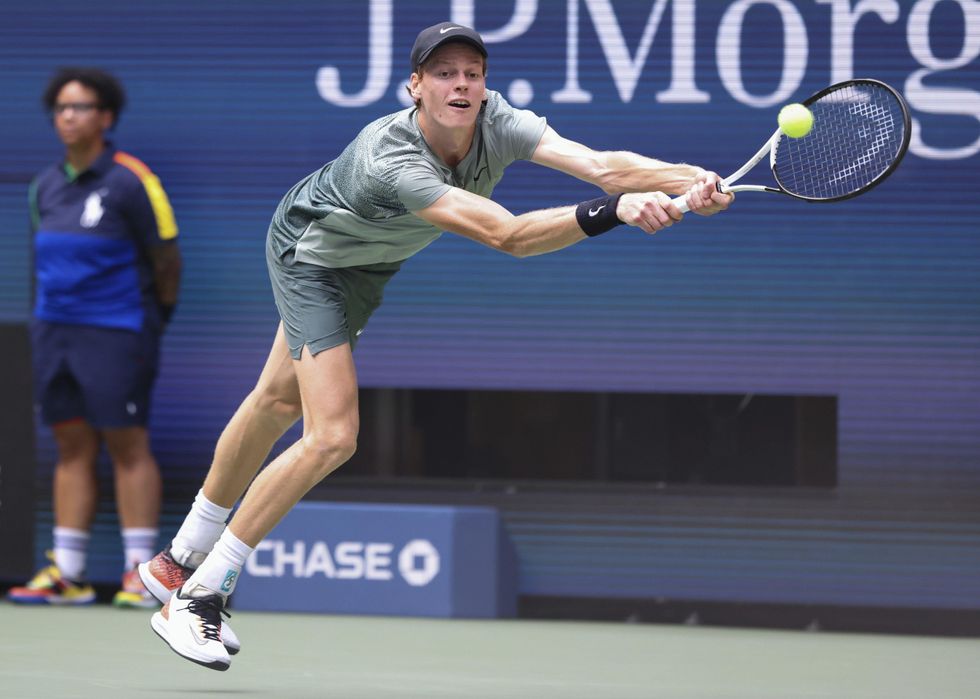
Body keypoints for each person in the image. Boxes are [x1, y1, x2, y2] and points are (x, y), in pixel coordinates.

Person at [139, 22, 733, 670]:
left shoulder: (497, 119)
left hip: (366, 266)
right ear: (415, 86)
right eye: (444, 73)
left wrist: (692, 180)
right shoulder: (391, 156)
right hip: (311, 256)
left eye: (472, 73)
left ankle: (177, 560)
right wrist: (614, 211)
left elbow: (600, 165)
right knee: (332, 434)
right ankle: (199, 596)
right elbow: (508, 235)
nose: (461, 84)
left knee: (276, 402)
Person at [6, 68, 181, 610]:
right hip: (54, 331)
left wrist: (152, 320)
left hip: (118, 329)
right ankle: (69, 573)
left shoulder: (133, 179)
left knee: (127, 444)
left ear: (105, 117)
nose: (67, 117)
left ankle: (137, 573)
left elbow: (166, 259)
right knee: (70, 444)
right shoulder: (44, 185)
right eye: (60, 108)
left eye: (79, 108)